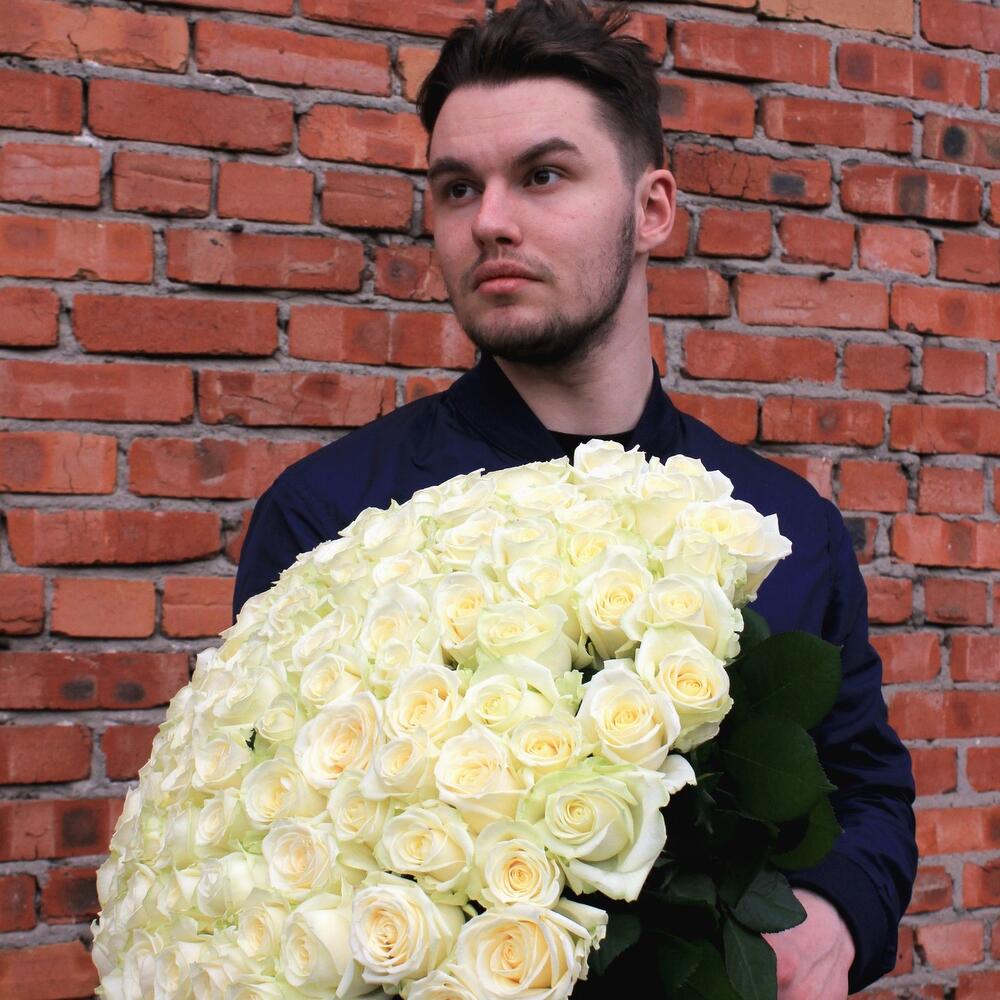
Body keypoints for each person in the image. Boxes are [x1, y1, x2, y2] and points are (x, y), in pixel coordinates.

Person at [233, 1, 917, 995]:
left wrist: (835, 918)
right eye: (457, 187)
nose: (490, 220)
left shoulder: (780, 529)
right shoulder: (331, 517)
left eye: (543, 175)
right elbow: (265, 848)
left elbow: (864, 789)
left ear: (652, 209)